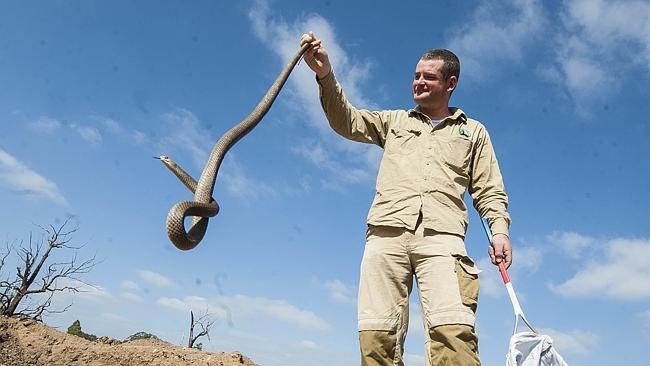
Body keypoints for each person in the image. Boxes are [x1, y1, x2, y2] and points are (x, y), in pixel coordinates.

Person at [300, 32, 513, 366]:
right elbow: (347, 120)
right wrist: (325, 74)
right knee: (376, 338)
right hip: (386, 235)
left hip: (443, 240)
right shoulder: (394, 121)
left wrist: (499, 230)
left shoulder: (473, 131)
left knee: (454, 335)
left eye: (429, 77)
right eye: (416, 76)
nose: (419, 82)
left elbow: (489, 189)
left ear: (450, 83)